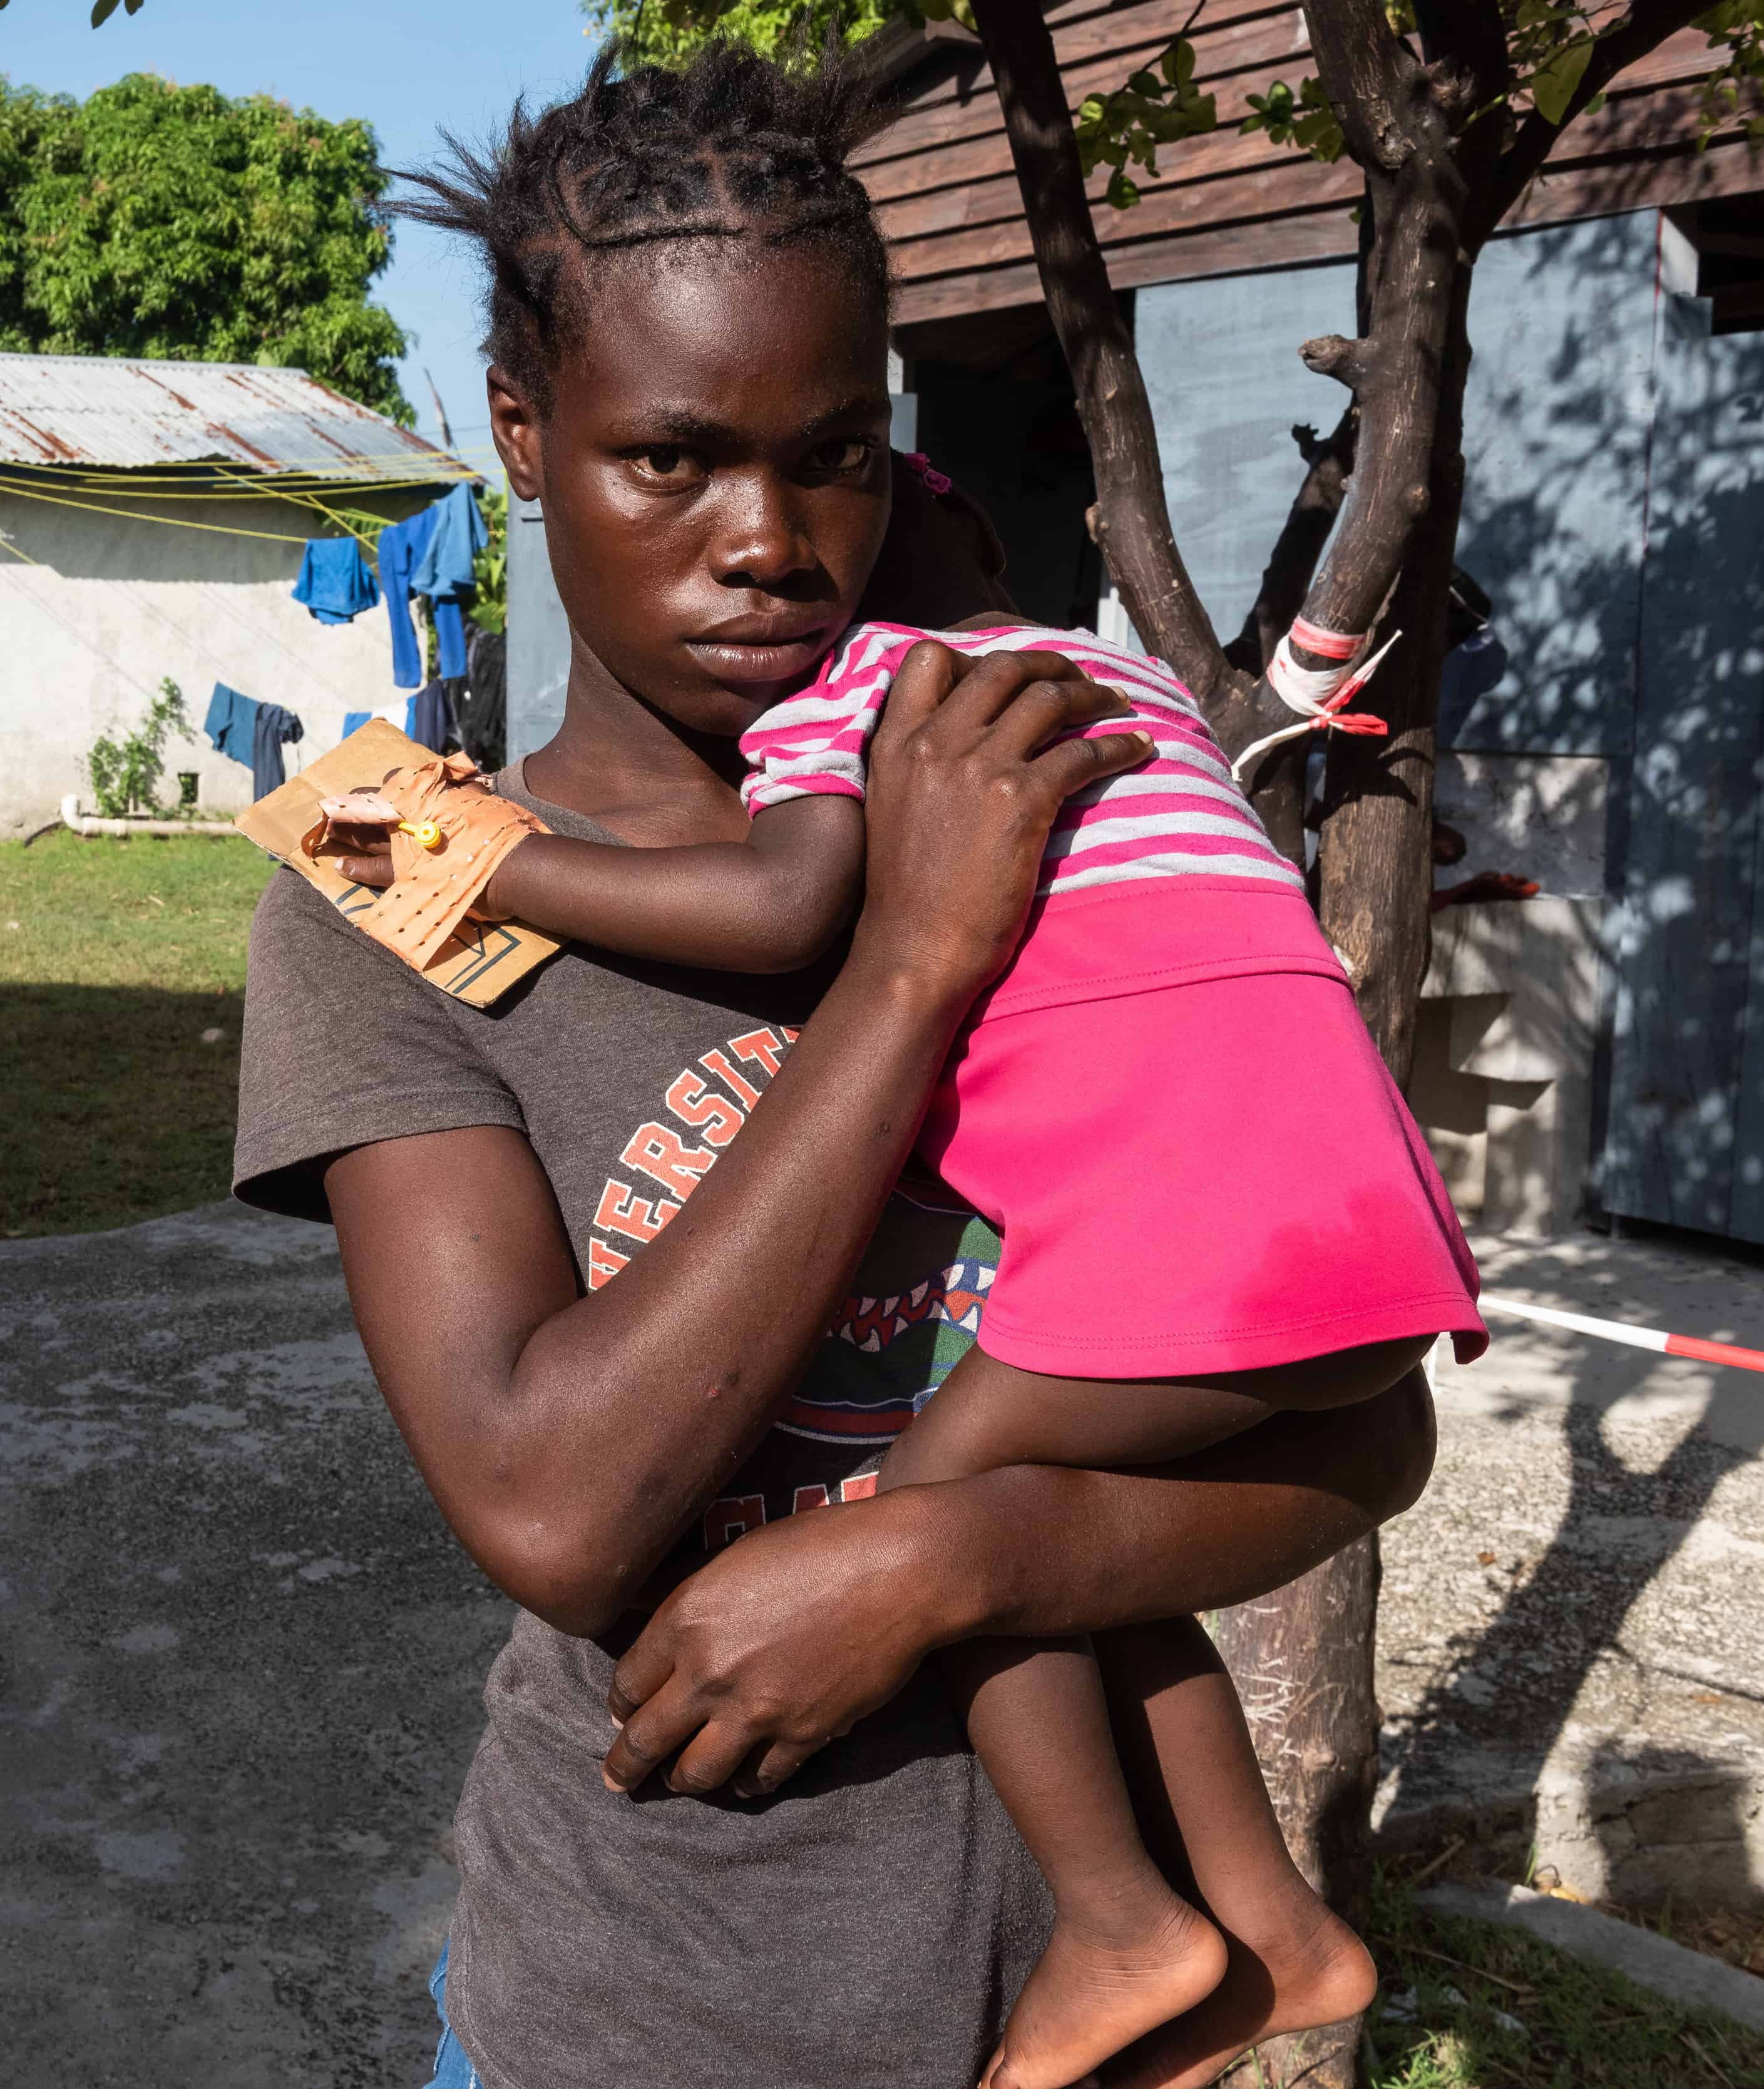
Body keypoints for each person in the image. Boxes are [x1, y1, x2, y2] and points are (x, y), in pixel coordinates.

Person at [235, 44, 1447, 2089]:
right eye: (672, 457)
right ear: (527, 438)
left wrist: (956, 1552)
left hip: (1071, 2018)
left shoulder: (1029, 798)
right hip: (657, 2004)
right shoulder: (388, 903)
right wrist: (913, 963)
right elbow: (553, 1506)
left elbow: (1360, 1427)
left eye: (830, 458)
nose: (768, 541)